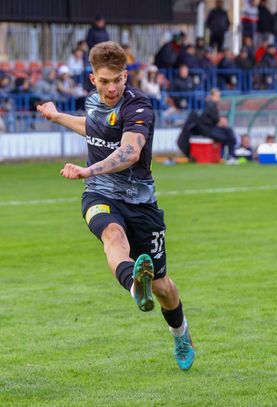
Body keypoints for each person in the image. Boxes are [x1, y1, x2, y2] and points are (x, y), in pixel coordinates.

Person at [36, 41, 195, 371]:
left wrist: (87, 170)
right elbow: (93, 127)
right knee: (112, 236)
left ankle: (180, 333)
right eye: (104, 81)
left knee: (163, 287)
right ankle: (135, 286)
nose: (111, 88)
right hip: (99, 195)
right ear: (93, 79)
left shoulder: (138, 107)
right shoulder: (92, 101)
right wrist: (57, 116)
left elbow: (130, 153)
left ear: (126, 75)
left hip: (140, 203)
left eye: (117, 80)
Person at [176, 88, 237, 160]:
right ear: (213, 96)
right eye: (218, 95)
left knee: (229, 133)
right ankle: (231, 156)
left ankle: (229, 155)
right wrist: (221, 122)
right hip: (209, 131)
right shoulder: (211, 105)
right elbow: (215, 120)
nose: (219, 97)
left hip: (209, 129)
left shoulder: (210, 105)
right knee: (229, 136)